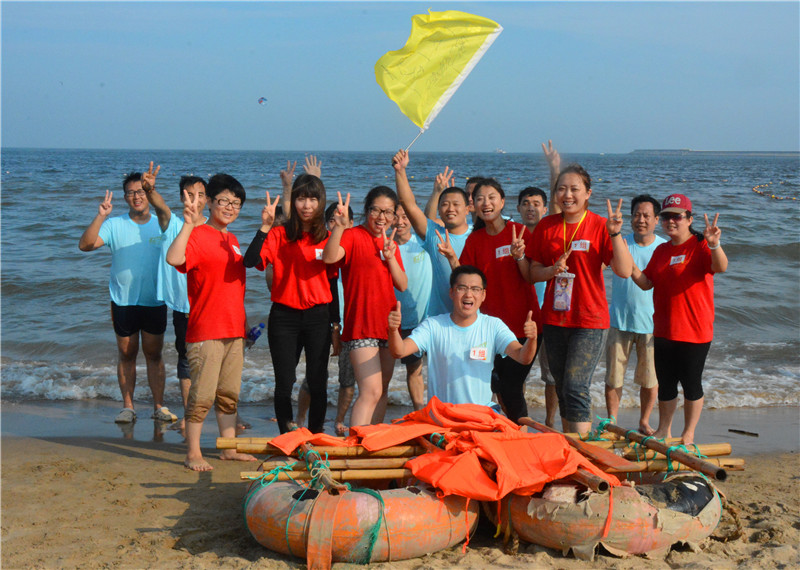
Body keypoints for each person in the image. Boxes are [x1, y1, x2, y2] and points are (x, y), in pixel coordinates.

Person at [528, 163, 633, 435]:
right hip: (554, 319)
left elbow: (623, 270)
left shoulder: (600, 225)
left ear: (588, 193)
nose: (568, 194)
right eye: (561, 188)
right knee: (562, 386)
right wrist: (552, 270)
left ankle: (584, 451)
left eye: (575, 189)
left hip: (589, 319)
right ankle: (570, 444)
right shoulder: (546, 226)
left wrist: (615, 233)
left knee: (576, 387)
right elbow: (532, 273)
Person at [166, 173, 256, 470]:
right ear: (209, 202)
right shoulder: (197, 233)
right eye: (224, 201)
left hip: (234, 330)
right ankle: (193, 453)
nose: (230, 207)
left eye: (236, 203)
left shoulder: (232, 239)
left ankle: (228, 448)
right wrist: (189, 225)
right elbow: (173, 258)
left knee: (229, 394)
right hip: (205, 331)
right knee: (202, 395)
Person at [439, 178, 542, 423]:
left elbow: (530, 276)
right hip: (489, 329)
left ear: (502, 202)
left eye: (492, 197)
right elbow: (466, 280)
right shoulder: (475, 240)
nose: (486, 203)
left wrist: (519, 255)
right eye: (480, 199)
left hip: (522, 325)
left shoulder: (520, 232)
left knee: (510, 387)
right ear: (473, 205)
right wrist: (453, 258)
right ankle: (506, 431)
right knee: (494, 385)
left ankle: (522, 436)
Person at [78, 170, 175, 425]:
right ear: (125, 197)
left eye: (141, 192)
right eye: (131, 193)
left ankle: (158, 406)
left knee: (154, 354)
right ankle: (128, 407)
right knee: (126, 354)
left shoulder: (161, 224)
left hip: (155, 299)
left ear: (148, 194)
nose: (136, 197)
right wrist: (100, 216)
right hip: (123, 301)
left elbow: (172, 225)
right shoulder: (114, 224)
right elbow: (85, 245)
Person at [631, 194, 727, 444]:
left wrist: (715, 244)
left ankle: (688, 433)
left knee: (691, 384)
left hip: (694, 330)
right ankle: (664, 430)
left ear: (689, 219)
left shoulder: (700, 244)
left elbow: (721, 267)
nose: (671, 221)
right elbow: (646, 282)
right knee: (666, 384)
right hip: (664, 329)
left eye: (677, 216)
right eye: (666, 217)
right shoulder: (661, 250)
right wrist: (630, 266)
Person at [243, 173, 333, 435]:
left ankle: (316, 436)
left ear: (320, 202)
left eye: (313, 199)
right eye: (301, 198)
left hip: (318, 317)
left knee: (318, 383)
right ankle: (286, 436)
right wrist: (264, 227)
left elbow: (337, 282)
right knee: (284, 382)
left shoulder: (327, 237)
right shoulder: (279, 234)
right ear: (293, 201)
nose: (307, 205)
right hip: (284, 317)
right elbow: (249, 261)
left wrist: (336, 325)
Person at [388, 265, 537, 407]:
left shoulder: (493, 326)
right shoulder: (433, 326)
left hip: (478, 418)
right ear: (451, 293)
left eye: (475, 289)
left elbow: (523, 357)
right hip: (442, 418)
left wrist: (532, 340)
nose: (468, 294)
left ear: (483, 294)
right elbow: (399, 351)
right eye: (462, 288)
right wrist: (394, 330)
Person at [323, 187, 407, 427]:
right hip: (361, 325)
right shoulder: (352, 235)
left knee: (381, 390)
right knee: (370, 391)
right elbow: (329, 258)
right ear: (366, 210)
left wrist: (390, 257)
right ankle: (355, 444)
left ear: (394, 216)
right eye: (376, 210)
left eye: (388, 212)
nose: (382, 217)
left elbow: (402, 284)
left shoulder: (390, 244)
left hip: (388, 325)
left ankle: (372, 442)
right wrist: (339, 227)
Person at [604, 194, 667, 435]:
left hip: (652, 324)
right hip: (619, 320)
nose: (641, 220)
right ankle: (611, 421)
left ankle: (644, 421)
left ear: (656, 219)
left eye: (646, 216)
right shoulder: (619, 241)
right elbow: (599, 265)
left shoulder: (662, 248)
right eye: (637, 215)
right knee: (613, 376)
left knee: (650, 379)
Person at [295, 202, 355, 435]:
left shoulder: (356, 247)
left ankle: (339, 420)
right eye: (331, 219)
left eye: (342, 219)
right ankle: (301, 417)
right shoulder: (320, 248)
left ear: (351, 223)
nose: (336, 223)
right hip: (322, 321)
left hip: (350, 324)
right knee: (315, 375)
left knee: (347, 377)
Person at [392, 149, 471, 317]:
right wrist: (400, 171)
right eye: (444, 204)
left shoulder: (477, 235)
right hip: (439, 318)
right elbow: (409, 205)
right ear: (439, 210)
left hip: (473, 317)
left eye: (456, 204)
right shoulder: (434, 235)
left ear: (468, 209)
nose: (450, 209)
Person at [517, 186, 558, 427]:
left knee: (551, 376)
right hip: (521, 317)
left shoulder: (551, 234)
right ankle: (518, 420)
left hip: (551, 315)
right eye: (525, 203)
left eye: (536, 203)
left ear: (544, 208)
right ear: (518, 208)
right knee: (517, 372)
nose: (531, 208)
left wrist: (554, 169)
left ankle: (550, 422)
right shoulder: (513, 235)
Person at [392, 203, 433, 410]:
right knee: (413, 369)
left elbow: (428, 216)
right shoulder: (387, 246)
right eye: (395, 217)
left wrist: (437, 191)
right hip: (400, 319)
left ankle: (439, 410)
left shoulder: (423, 241)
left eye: (405, 217)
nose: (400, 222)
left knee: (435, 369)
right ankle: (419, 411)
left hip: (427, 317)